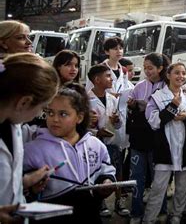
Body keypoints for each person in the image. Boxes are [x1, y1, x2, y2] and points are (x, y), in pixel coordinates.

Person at [23, 83, 117, 224]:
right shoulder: (32, 150)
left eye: (63, 114)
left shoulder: (95, 145)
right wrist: (32, 189)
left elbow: (106, 169)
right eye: (50, 113)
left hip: (90, 216)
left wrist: (106, 181)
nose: (54, 119)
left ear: (79, 117)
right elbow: (19, 190)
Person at [142, 63, 186, 224]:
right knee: (158, 189)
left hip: (185, 150)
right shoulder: (156, 97)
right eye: (177, 73)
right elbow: (154, 122)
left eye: (184, 73)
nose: (181, 76)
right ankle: (149, 219)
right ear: (168, 75)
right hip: (164, 151)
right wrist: (172, 107)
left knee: (182, 188)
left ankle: (176, 215)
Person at [0, 53, 59, 206]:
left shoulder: (14, 124)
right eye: (42, 108)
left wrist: (25, 182)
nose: (41, 114)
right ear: (24, 102)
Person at [127, 53, 169, 224]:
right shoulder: (139, 86)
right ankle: (136, 212)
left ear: (160, 68)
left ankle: (161, 210)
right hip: (138, 138)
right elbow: (131, 112)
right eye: (145, 68)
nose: (147, 71)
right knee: (137, 177)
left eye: (150, 68)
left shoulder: (167, 86)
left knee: (159, 178)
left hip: (158, 140)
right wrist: (132, 106)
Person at [87, 64, 129, 217]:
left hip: (112, 143)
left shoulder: (112, 98)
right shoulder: (86, 99)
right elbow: (83, 126)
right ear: (97, 80)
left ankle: (119, 201)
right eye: (108, 76)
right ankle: (101, 202)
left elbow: (118, 124)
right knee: (98, 173)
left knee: (117, 172)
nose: (112, 79)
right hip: (95, 144)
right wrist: (97, 132)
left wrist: (116, 121)